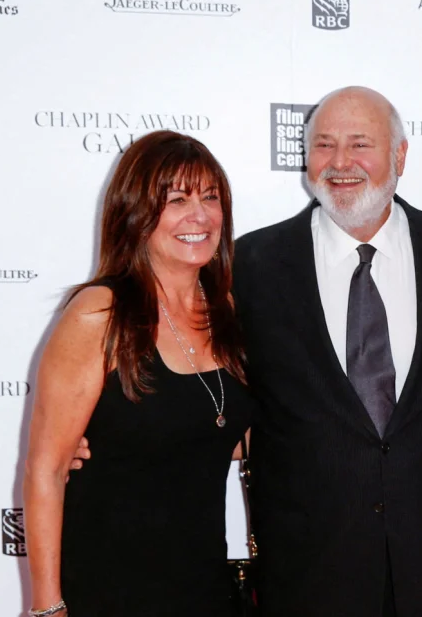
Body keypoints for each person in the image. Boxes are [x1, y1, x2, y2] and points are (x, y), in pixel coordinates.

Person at [228, 86, 422, 616]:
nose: (340, 163)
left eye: (360, 144)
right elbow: (209, 382)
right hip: (306, 568)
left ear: (400, 156)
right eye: (324, 145)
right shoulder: (251, 264)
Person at [24, 130, 253, 617]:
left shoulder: (229, 313)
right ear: (136, 212)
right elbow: (45, 469)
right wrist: (47, 608)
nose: (200, 215)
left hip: (204, 588)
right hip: (108, 589)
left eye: (211, 197)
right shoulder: (100, 314)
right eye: (177, 199)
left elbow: (227, 434)